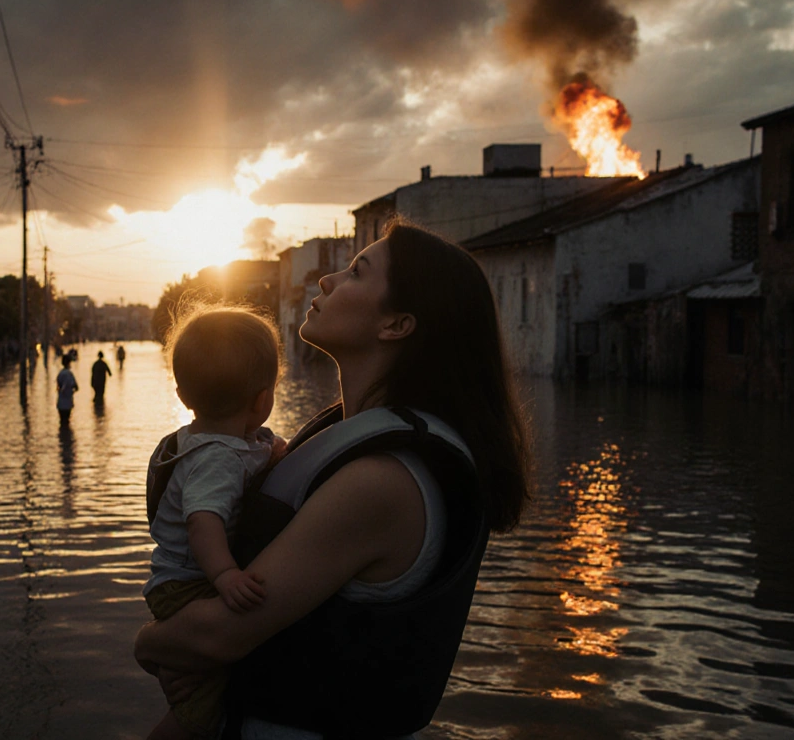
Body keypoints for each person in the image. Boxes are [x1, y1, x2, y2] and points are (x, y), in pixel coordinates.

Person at [134, 222, 531, 738]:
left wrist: (147, 644)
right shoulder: (345, 436)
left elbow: (217, 637)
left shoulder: (380, 481)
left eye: (356, 272)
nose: (327, 280)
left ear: (396, 325)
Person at [142, 306, 285, 740]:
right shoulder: (218, 459)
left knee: (194, 678)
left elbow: (254, 453)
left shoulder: (198, 442)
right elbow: (202, 521)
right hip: (191, 584)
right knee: (201, 708)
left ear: (183, 395)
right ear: (263, 400)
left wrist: (274, 456)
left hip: (173, 579)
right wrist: (225, 575)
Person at [56, 355, 79, 422]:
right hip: (68, 403)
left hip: (60, 403)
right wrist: (71, 392)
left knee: (62, 421)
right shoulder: (69, 374)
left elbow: (58, 386)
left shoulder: (60, 374)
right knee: (66, 421)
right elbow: (76, 387)